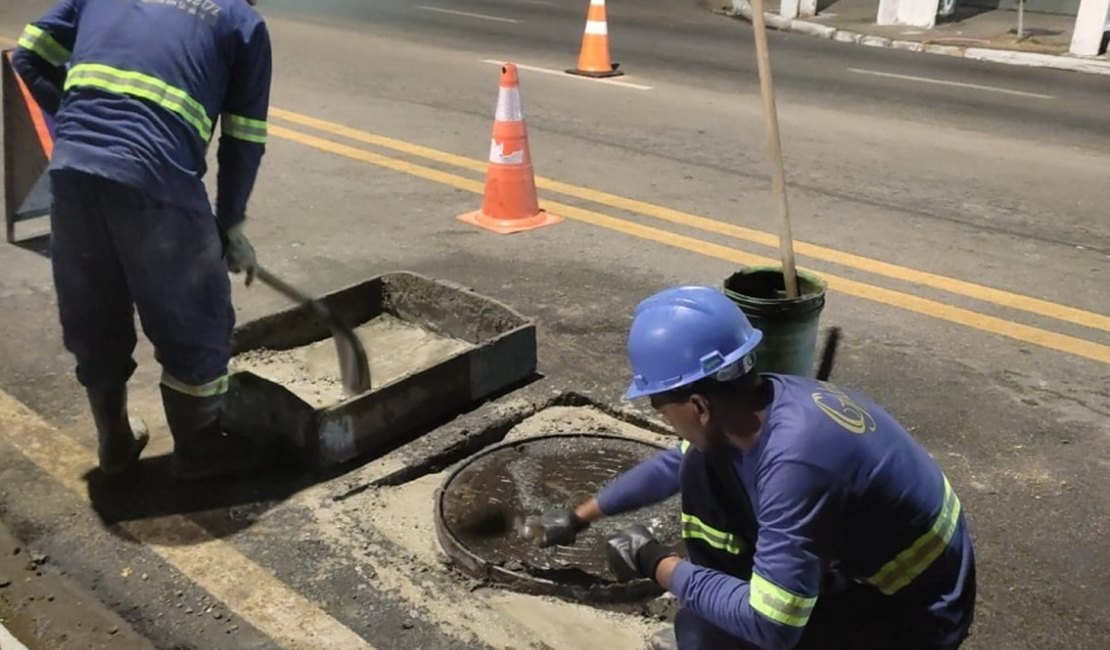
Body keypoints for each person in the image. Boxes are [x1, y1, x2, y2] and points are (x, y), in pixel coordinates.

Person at [528, 286, 976, 650]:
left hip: (918, 615)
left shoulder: (797, 462)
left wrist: (657, 564)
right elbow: (674, 465)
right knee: (700, 474)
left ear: (698, 405)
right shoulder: (759, 405)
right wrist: (581, 515)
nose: (664, 419)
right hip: (882, 569)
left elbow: (774, 625)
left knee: (702, 633)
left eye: (661, 407)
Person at [12, 0, 273, 480]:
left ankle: (114, 442)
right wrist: (231, 223)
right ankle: (197, 456)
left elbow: (27, 53)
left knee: (94, 315)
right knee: (197, 321)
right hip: (157, 180)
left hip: (72, 175)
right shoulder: (241, 22)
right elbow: (244, 137)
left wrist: (75, 121)